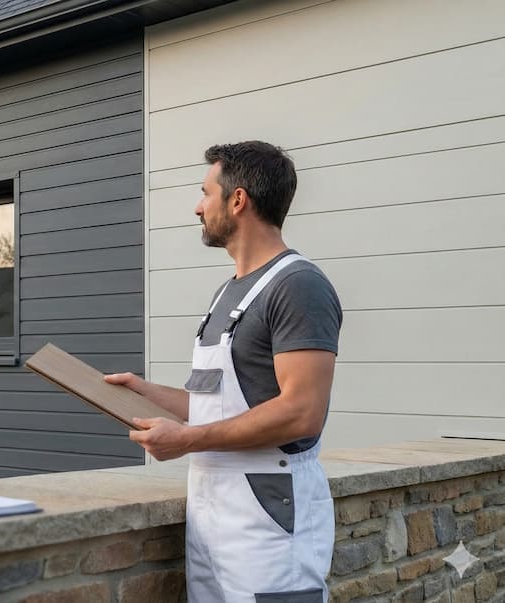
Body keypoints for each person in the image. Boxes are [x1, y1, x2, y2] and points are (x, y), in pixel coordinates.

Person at [105, 141, 342, 602]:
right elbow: (211, 404)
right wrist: (142, 391)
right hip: (213, 517)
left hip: (268, 522)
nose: (197, 207)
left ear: (238, 200)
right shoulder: (228, 293)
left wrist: (185, 440)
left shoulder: (298, 286)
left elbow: (302, 413)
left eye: (205, 192)